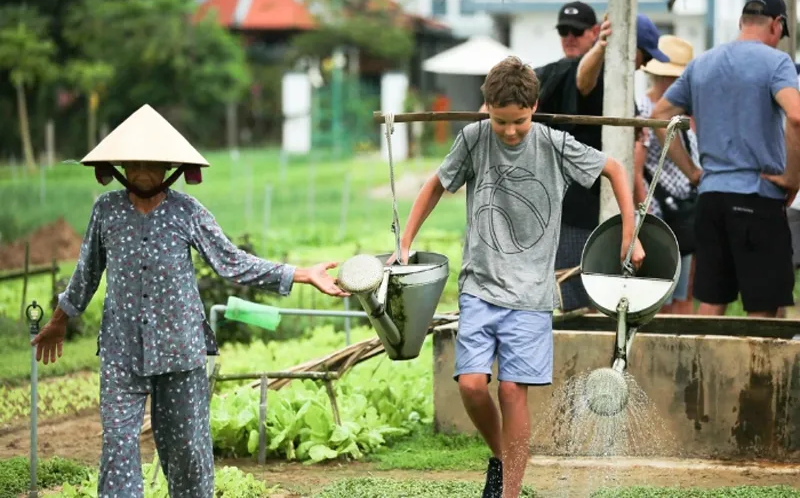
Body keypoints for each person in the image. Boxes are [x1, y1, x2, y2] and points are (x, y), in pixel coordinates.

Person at [30, 104, 348, 498]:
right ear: (120, 167)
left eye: (153, 163)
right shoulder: (106, 211)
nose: (143, 171)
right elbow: (86, 273)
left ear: (169, 168)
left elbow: (232, 263)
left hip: (180, 350)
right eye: (134, 162)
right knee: (117, 445)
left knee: (187, 453)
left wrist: (302, 274)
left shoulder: (187, 212)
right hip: (121, 350)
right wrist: (60, 319)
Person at [390, 57, 644, 498]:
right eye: (500, 120)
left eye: (519, 122)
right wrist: (404, 241)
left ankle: (509, 492)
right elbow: (435, 184)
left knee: (512, 392)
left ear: (535, 108)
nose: (509, 131)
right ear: (485, 107)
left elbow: (616, 170)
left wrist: (629, 233)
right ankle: (505, 459)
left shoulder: (553, 143)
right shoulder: (473, 139)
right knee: (471, 386)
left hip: (529, 295)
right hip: (480, 286)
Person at [651, 0, 800, 318]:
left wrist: (692, 171)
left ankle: (698, 370)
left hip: (711, 198)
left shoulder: (701, 63)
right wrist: (792, 177)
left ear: (741, 22)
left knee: (711, 300)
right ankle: (757, 372)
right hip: (757, 196)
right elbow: (796, 115)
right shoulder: (777, 62)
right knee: (765, 308)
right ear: (777, 25)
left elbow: (659, 115)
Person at [538, 13, 668, 312]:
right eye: (643, 55)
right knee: (574, 298)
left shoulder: (619, 87)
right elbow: (584, 81)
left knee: (600, 291)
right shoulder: (589, 73)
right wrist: (602, 47)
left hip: (602, 204)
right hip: (574, 206)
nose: (644, 64)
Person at [634, 35, 699, 314]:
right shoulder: (645, 112)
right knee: (658, 299)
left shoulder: (684, 113)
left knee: (682, 296)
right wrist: (644, 211)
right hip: (658, 214)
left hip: (683, 214)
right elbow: (635, 169)